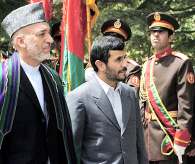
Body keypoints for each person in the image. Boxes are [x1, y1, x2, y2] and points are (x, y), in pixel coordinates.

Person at [0, 2, 77, 164]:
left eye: (49, 33)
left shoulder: (52, 78)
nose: (50, 40)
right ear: (21, 42)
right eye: (42, 34)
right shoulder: (3, 80)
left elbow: (62, 135)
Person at [66, 35, 148, 164]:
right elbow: (72, 149)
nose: (125, 64)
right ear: (100, 65)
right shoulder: (78, 98)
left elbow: (139, 143)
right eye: (118, 59)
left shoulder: (130, 93)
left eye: (124, 57)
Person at [139, 12, 194, 164]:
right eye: (153, 31)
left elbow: (186, 106)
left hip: (169, 139)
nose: (155, 35)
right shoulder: (147, 65)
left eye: (161, 32)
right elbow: (142, 104)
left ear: (170, 37)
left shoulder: (181, 63)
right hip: (147, 140)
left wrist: (182, 140)